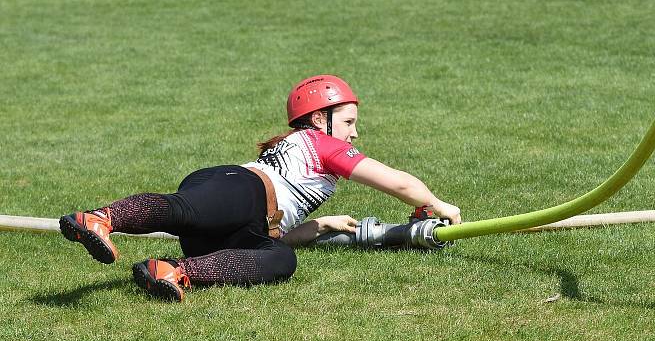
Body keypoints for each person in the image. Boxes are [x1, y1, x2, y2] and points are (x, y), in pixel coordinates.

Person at [59, 75, 461, 302]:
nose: (356, 132)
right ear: (321, 119)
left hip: (249, 222)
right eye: (350, 121)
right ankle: (100, 218)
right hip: (242, 187)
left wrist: (318, 226)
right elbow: (400, 182)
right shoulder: (325, 144)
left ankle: (174, 271)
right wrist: (437, 203)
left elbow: (280, 232)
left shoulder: (316, 152)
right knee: (185, 210)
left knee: (282, 259)